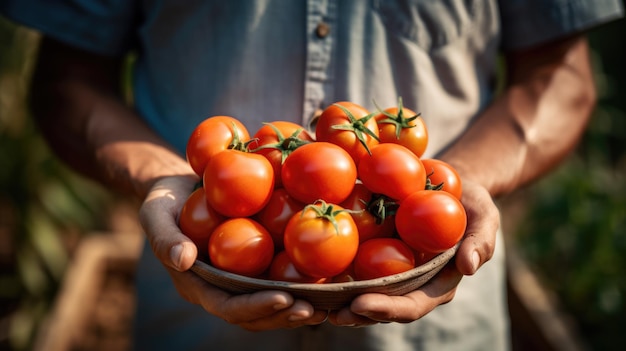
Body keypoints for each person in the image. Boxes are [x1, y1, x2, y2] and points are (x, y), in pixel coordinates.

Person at [1, 1, 623, 350]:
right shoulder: (274, 172)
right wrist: (160, 178)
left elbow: (563, 76)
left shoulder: (386, 186)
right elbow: (67, 81)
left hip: (438, 312)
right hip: (194, 301)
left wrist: (463, 182)